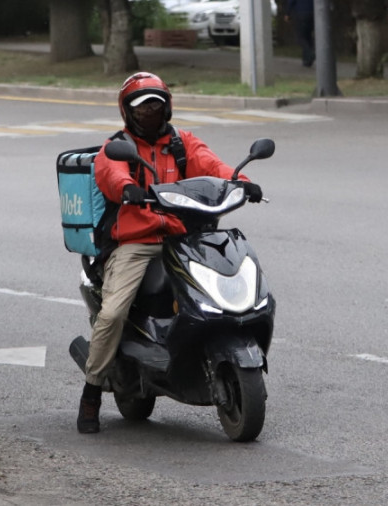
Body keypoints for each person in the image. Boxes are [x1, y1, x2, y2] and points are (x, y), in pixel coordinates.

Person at [77, 72, 263, 434]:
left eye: (156, 104)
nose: (150, 111)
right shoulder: (116, 147)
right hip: (137, 243)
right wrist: (128, 188)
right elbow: (111, 175)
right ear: (127, 113)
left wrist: (240, 182)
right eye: (142, 106)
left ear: (168, 108)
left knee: (225, 286)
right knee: (114, 312)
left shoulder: (183, 144)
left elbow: (212, 166)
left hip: (184, 238)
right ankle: (92, 391)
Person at [285, 0, 315, 67]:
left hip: (300, 14)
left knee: (300, 37)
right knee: (308, 36)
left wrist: (287, 13)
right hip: (312, 14)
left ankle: (310, 53)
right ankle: (307, 61)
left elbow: (290, 2)